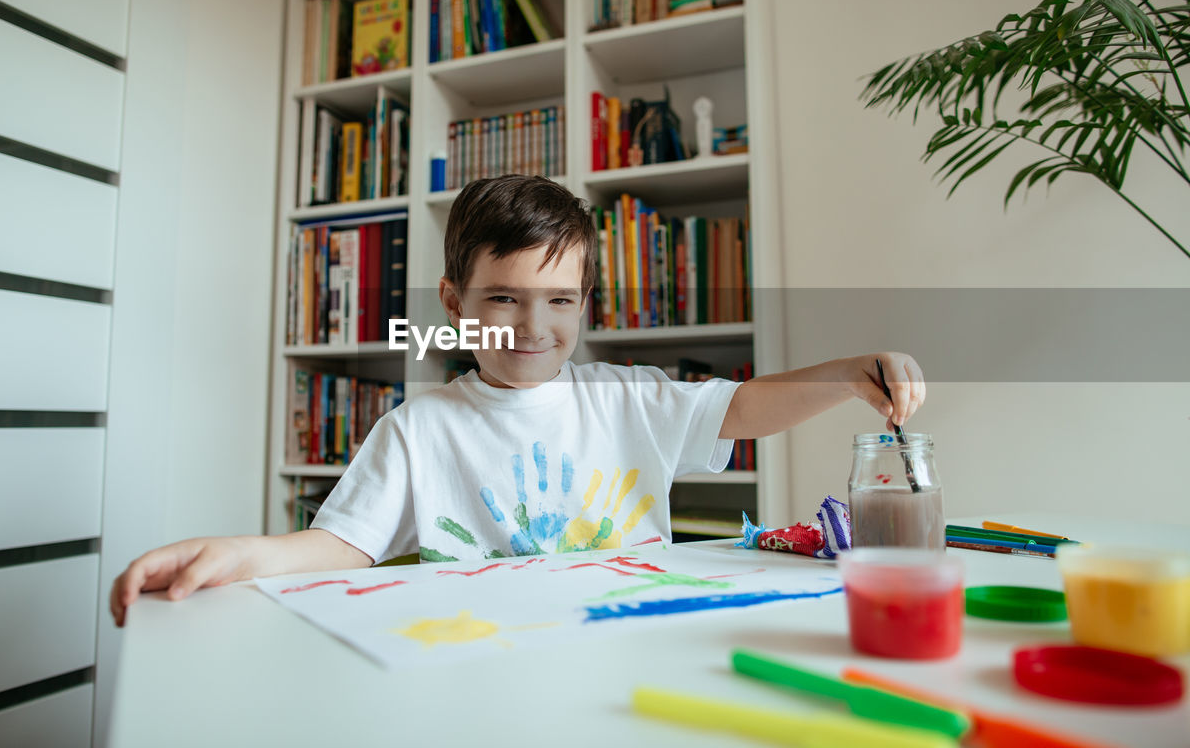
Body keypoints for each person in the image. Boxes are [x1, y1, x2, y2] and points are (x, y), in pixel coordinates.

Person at [110, 175, 924, 626]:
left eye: (561, 301)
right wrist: (239, 554)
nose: (535, 327)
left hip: (626, 654)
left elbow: (743, 409)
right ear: (454, 301)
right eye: (503, 300)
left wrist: (854, 372)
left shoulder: (629, 400)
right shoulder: (418, 429)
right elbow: (340, 546)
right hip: (485, 665)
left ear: (584, 301)